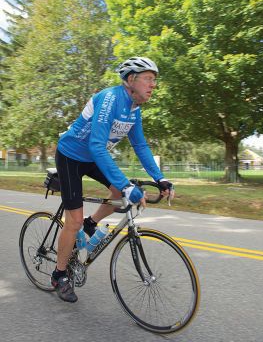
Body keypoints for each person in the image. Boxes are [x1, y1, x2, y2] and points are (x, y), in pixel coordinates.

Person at [51, 56, 174, 302]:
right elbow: (97, 146)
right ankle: (59, 274)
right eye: (148, 79)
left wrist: (160, 178)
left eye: (154, 80)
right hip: (70, 156)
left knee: (117, 193)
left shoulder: (133, 110)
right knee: (73, 221)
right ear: (131, 79)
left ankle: (91, 223)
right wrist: (127, 185)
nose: (153, 85)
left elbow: (140, 145)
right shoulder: (110, 99)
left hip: (93, 157)